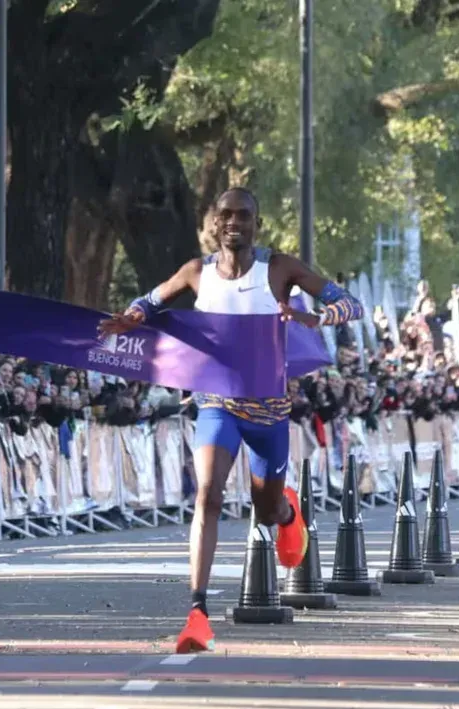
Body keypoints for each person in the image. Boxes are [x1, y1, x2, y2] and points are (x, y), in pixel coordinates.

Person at [99, 187, 363, 654]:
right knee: (207, 494)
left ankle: (288, 511)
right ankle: (197, 611)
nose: (235, 222)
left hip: (269, 411)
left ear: (256, 223)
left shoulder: (279, 268)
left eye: (244, 214)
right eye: (227, 214)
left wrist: (318, 317)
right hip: (216, 404)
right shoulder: (196, 273)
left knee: (265, 509)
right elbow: (150, 300)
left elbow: (350, 304)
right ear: (215, 223)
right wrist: (131, 317)